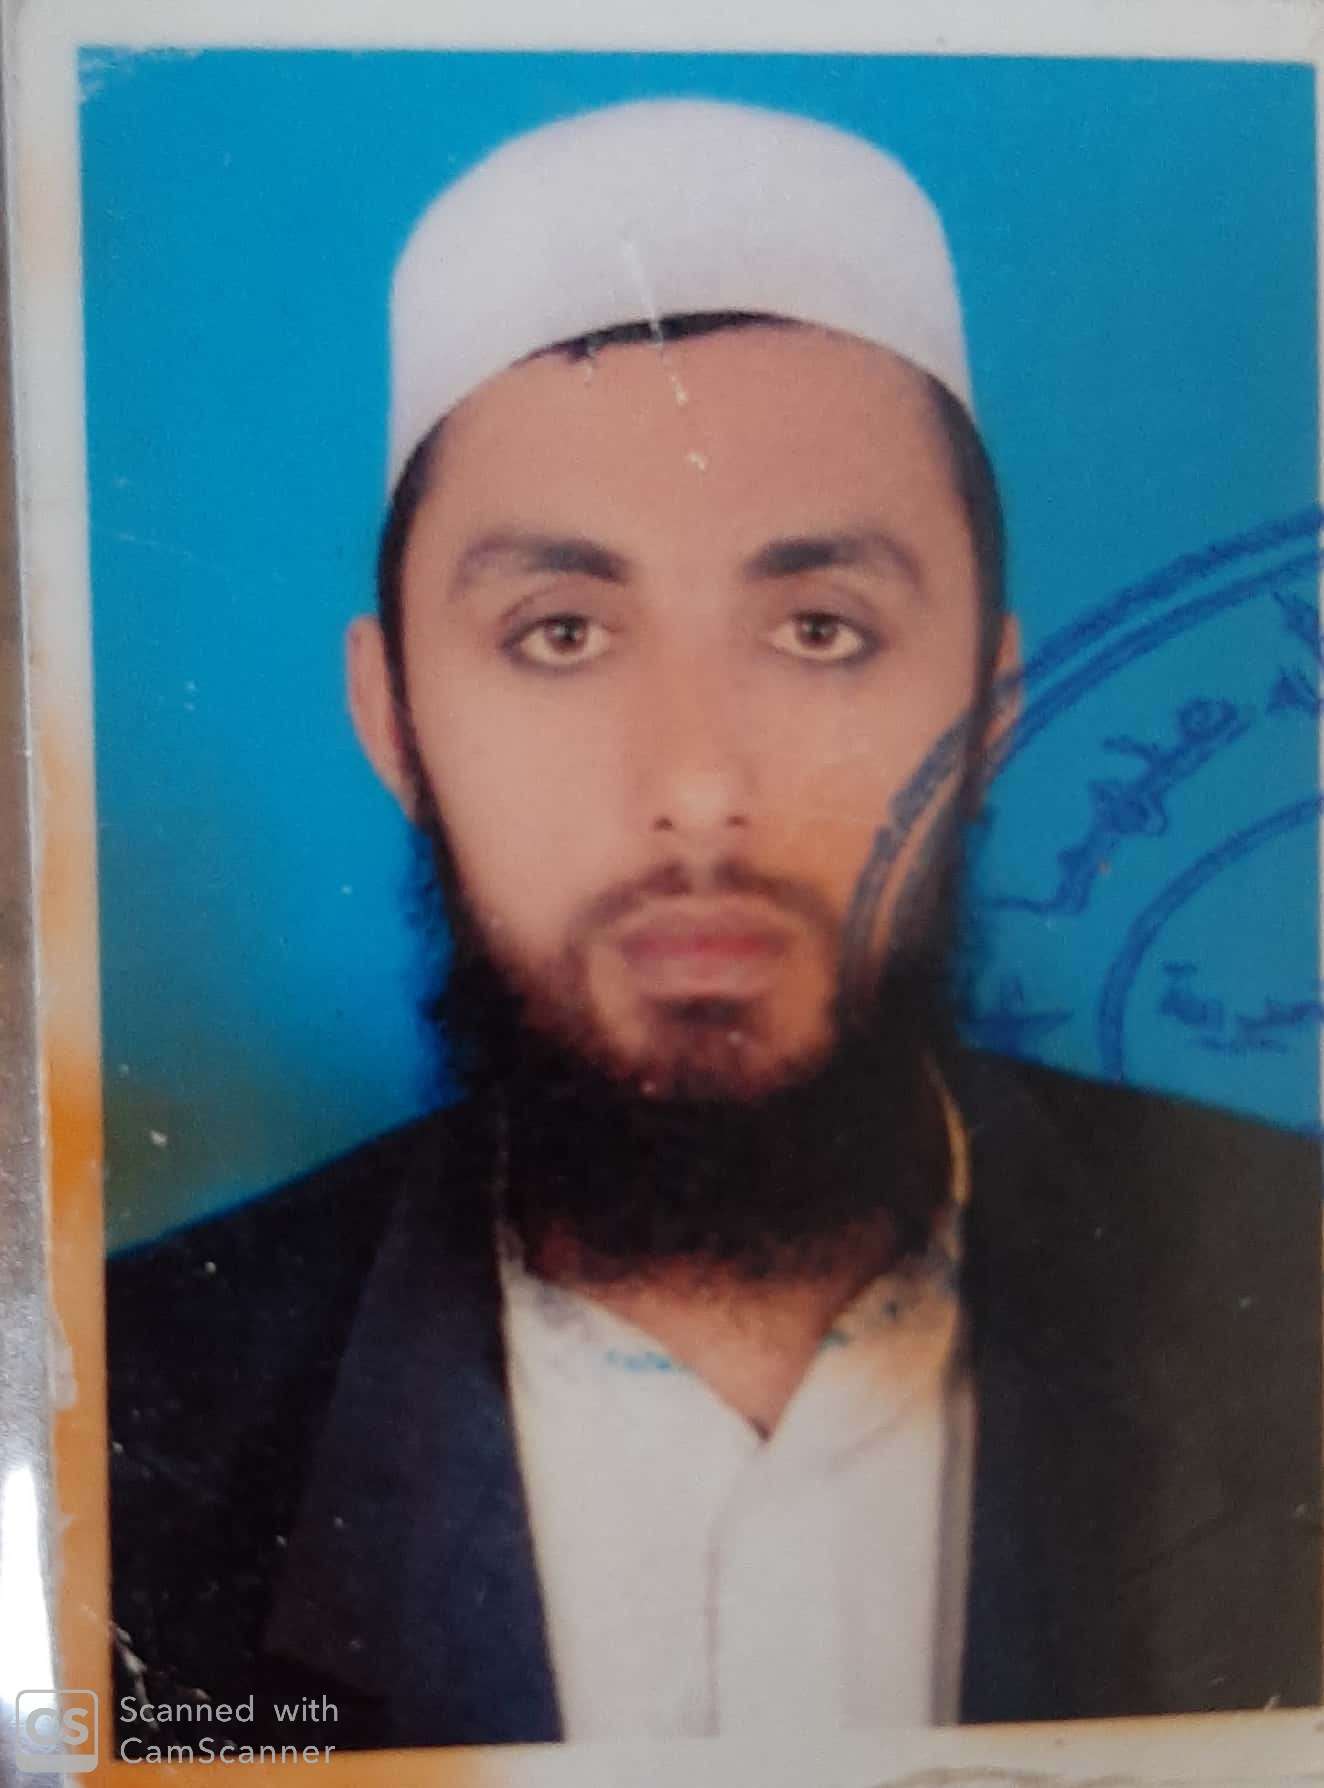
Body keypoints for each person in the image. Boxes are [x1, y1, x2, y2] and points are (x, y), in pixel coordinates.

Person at [107, 99, 1321, 1754]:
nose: (696, 786)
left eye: (820, 630)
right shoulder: (130, 1413)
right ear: (394, 723)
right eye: (560, 634)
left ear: (993, 707)